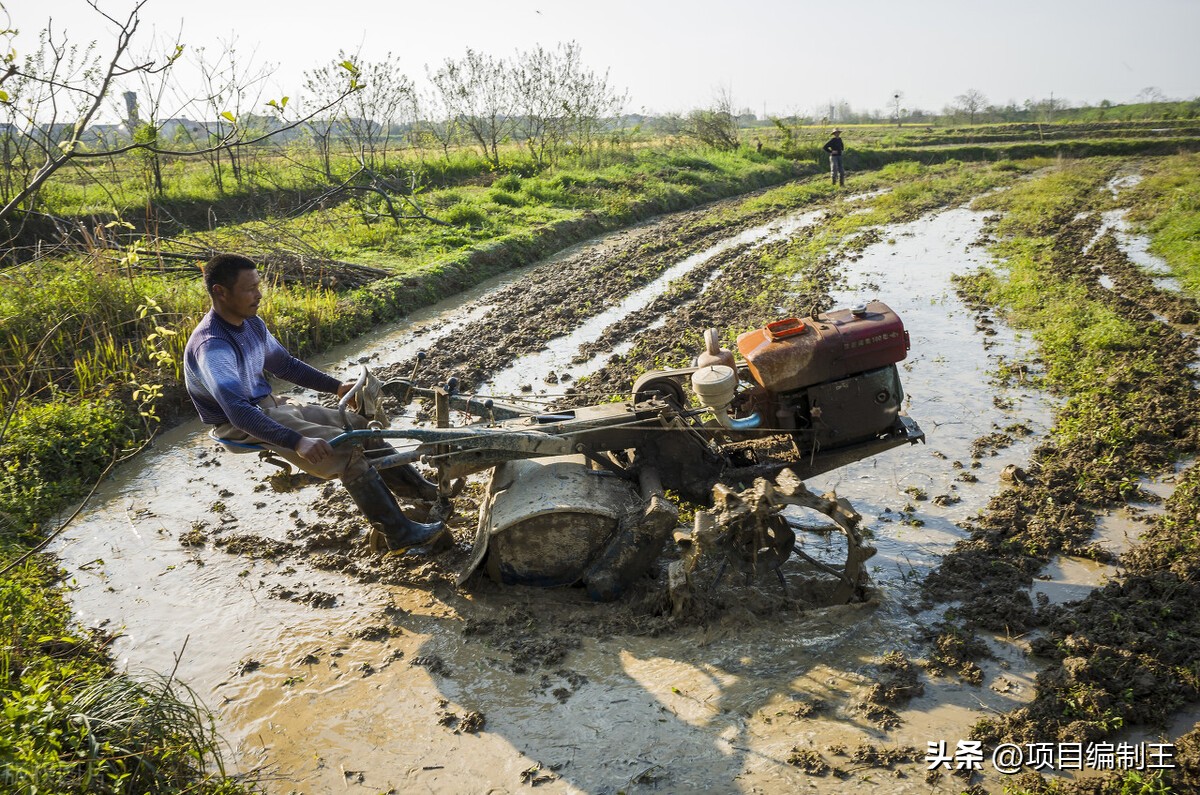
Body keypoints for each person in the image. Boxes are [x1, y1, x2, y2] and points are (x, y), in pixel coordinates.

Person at [184, 253, 444, 553]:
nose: (258, 295)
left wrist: (337, 387)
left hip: (267, 403)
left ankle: (423, 492)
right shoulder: (212, 346)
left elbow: (286, 366)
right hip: (238, 421)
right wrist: (297, 442)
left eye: (259, 286)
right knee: (346, 448)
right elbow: (238, 411)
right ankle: (400, 535)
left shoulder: (251, 324)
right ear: (220, 292)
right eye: (249, 289)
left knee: (361, 428)